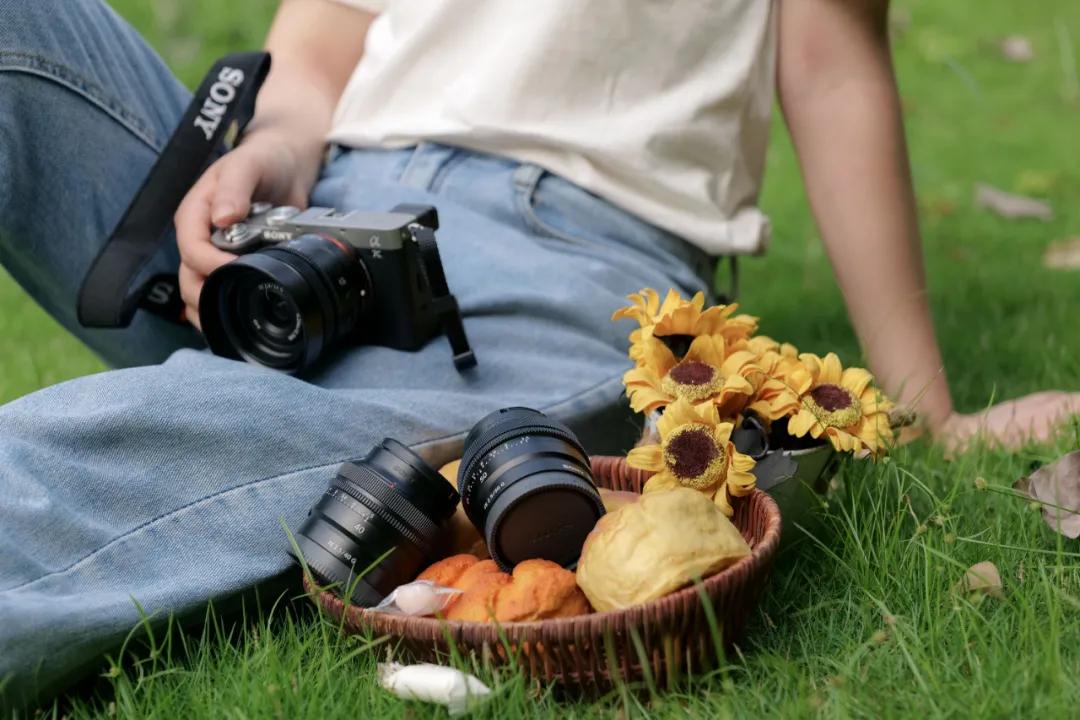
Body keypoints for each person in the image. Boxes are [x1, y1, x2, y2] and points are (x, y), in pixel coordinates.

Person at [0, 0, 1076, 707]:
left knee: (157, 450)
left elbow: (831, 63)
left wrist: (927, 407)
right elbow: (324, 37)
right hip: (305, 221)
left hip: (562, 242)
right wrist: (274, 153)